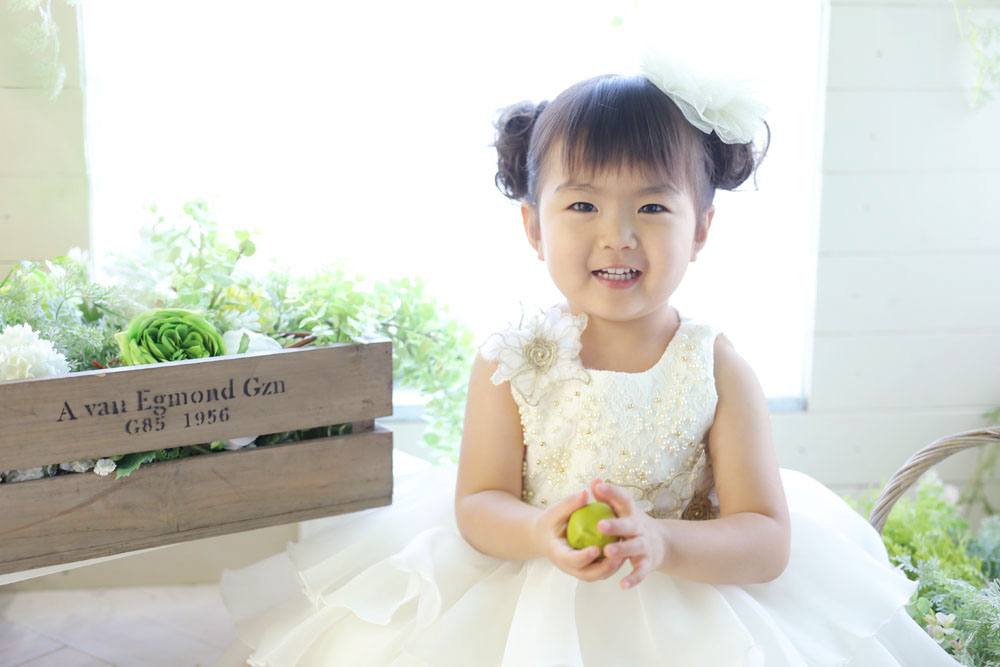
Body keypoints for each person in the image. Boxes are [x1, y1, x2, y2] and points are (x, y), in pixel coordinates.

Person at [215, 51, 961, 666]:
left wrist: (663, 539)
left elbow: (765, 538)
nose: (617, 235)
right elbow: (478, 503)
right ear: (533, 227)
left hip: (684, 590)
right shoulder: (510, 360)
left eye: (652, 206)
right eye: (582, 206)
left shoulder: (716, 367)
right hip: (530, 583)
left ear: (702, 228)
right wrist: (537, 531)